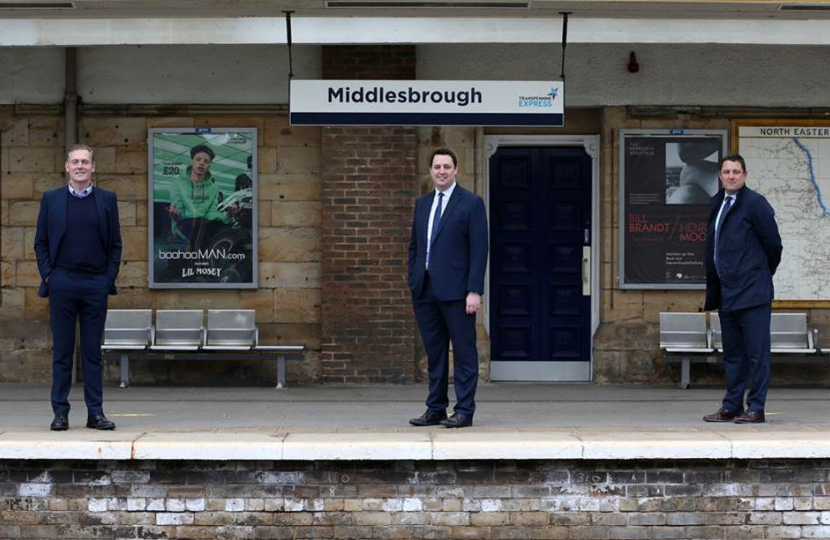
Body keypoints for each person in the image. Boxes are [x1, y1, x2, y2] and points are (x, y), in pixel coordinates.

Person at [34, 144, 122, 431]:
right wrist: (49, 276)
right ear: (67, 166)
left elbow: (116, 244)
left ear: (93, 167)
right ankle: (60, 413)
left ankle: (95, 413)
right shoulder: (51, 200)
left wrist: (108, 277)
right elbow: (41, 243)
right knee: (62, 352)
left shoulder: (108, 200)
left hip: (96, 283)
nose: (80, 166)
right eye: (75, 162)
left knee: (92, 353)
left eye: (85, 162)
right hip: (63, 282)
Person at [408, 148, 488, 429]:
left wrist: (474, 290)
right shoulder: (423, 204)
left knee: (464, 353)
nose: (441, 171)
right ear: (430, 170)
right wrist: (413, 280)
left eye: (447, 166)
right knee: (435, 353)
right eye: (437, 166)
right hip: (425, 291)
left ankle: (464, 410)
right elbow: (416, 247)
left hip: (458, 293)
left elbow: (479, 250)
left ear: (456, 170)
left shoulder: (471, 203)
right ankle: (436, 409)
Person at [702, 154, 782, 425]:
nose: (731, 176)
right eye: (727, 171)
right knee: (733, 354)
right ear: (720, 175)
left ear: (745, 175)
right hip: (727, 293)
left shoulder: (755, 204)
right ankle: (731, 406)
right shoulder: (718, 203)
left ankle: (756, 408)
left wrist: (758, 273)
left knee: (757, 353)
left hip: (753, 292)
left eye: (736, 171)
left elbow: (774, 245)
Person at [167, 144, 232, 251]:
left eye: (206, 161)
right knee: (201, 227)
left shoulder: (214, 187)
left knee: (228, 231)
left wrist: (228, 215)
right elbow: (178, 213)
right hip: (184, 225)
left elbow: (211, 214)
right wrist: (175, 215)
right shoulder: (177, 183)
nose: (202, 163)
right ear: (192, 161)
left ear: (209, 165)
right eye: (198, 159)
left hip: (205, 227)